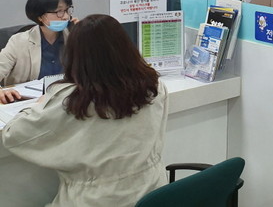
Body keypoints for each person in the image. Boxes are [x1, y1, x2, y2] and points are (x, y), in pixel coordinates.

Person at [2, 14, 168, 207]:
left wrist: (40, 104)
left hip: (95, 200)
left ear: (76, 55)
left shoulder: (73, 100)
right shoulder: (153, 86)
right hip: (152, 193)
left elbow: (14, 134)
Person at [0, 0, 78, 104]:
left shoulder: (73, 37)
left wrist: (84, 35)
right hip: (28, 103)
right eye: (59, 12)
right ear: (40, 16)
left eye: (67, 10)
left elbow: (96, 69)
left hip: (66, 100)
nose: (66, 16)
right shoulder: (19, 41)